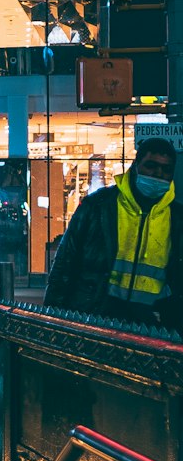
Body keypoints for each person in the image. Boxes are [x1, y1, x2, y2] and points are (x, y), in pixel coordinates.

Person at [44, 139, 182, 331]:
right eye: (151, 165)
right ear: (135, 166)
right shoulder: (98, 207)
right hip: (96, 315)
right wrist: (53, 318)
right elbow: (65, 264)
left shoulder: (176, 219)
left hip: (150, 323)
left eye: (166, 169)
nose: (158, 174)